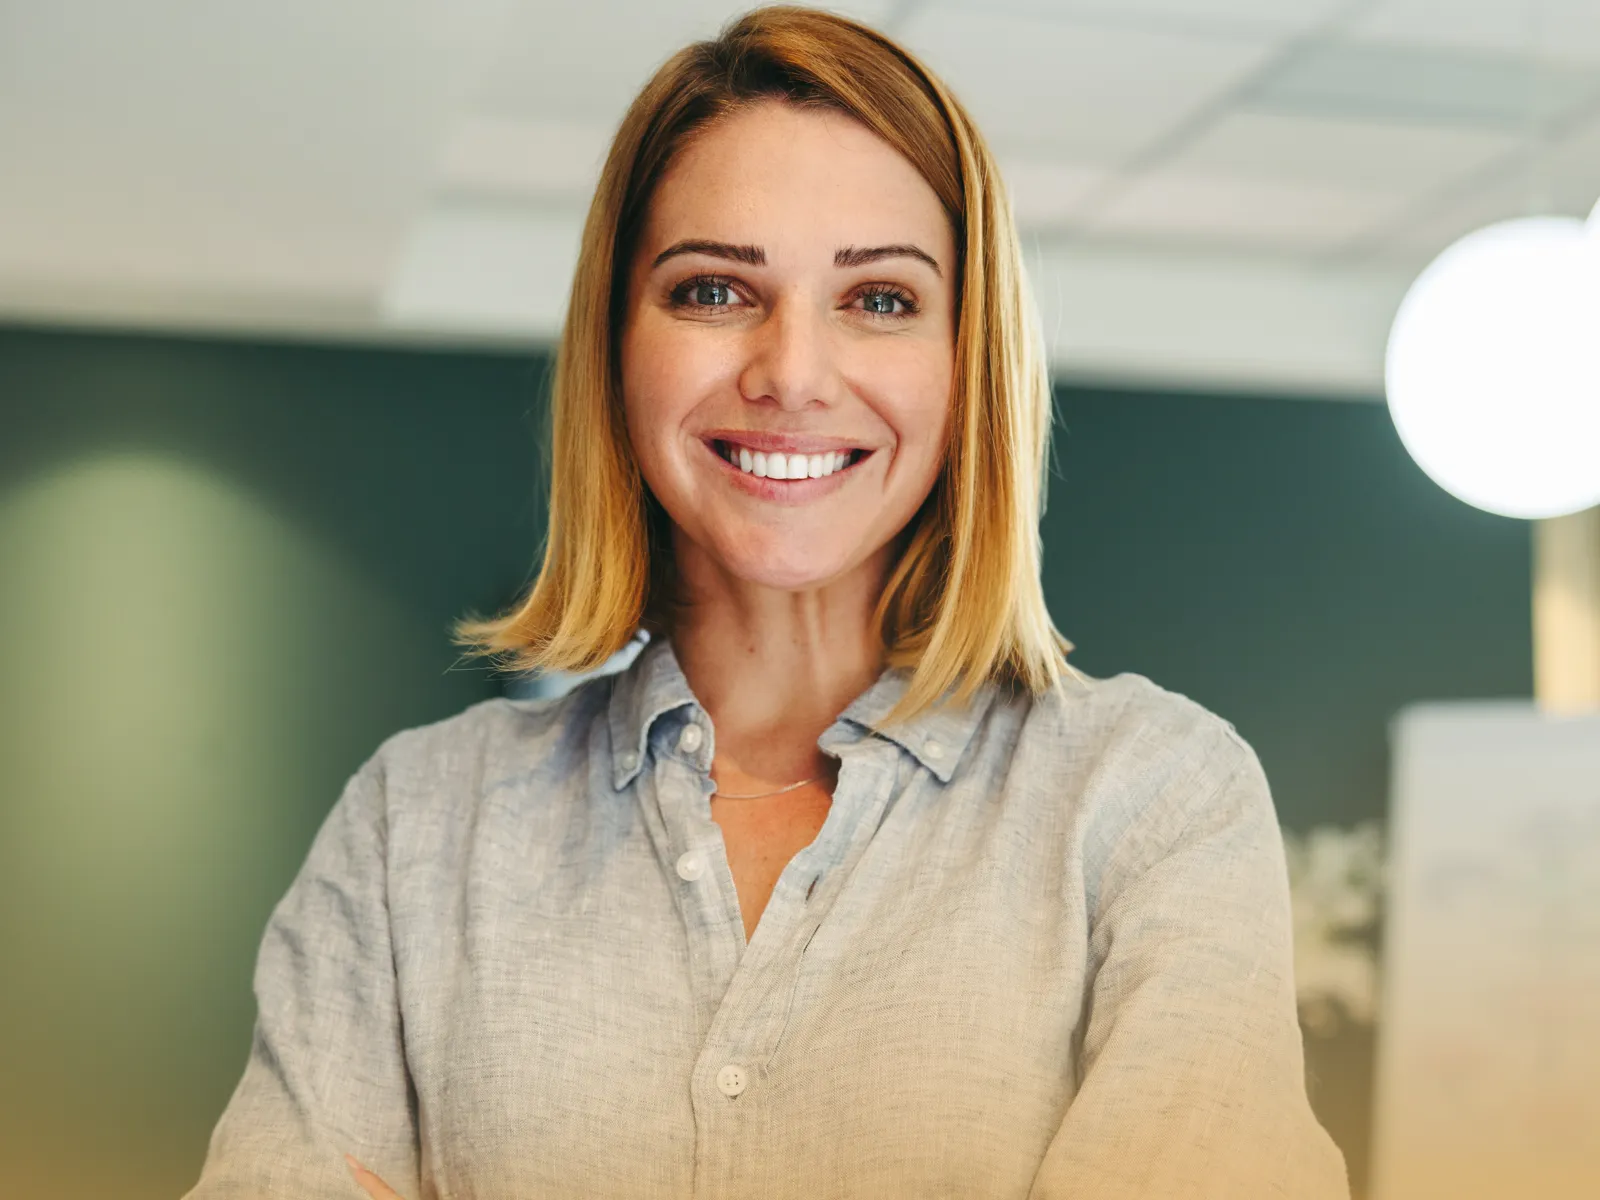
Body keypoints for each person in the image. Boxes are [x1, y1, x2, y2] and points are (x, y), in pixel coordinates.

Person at [185, 7, 1349, 1198]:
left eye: (881, 300)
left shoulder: (1151, 804)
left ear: (968, 361)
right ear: (616, 345)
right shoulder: (416, 828)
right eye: (712, 291)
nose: (790, 372)